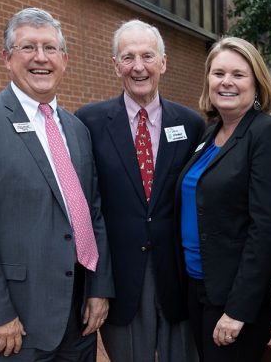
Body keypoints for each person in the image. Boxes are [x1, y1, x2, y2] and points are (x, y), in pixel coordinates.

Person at [0, 8, 113, 361]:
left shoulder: (76, 128)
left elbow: (91, 213)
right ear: (6, 58)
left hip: (78, 316)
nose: (41, 58)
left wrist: (99, 289)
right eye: (28, 48)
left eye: (50, 48)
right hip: (17, 321)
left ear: (64, 59)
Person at [75, 20, 204, 362]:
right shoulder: (88, 123)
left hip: (177, 277)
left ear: (163, 62)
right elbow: (86, 207)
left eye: (147, 55)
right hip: (119, 279)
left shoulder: (191, 125)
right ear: (115, 64)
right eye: (128, 56)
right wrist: (95, 286)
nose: (138, 66)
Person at [176, 37, 271, 361]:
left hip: (234, 295)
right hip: (198, 283)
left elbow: (267, 230)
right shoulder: (211, 132)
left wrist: (238, 310)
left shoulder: (269, 135)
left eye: (238, 74)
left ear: (256, 83)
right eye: (218, 74)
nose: (226, 82)